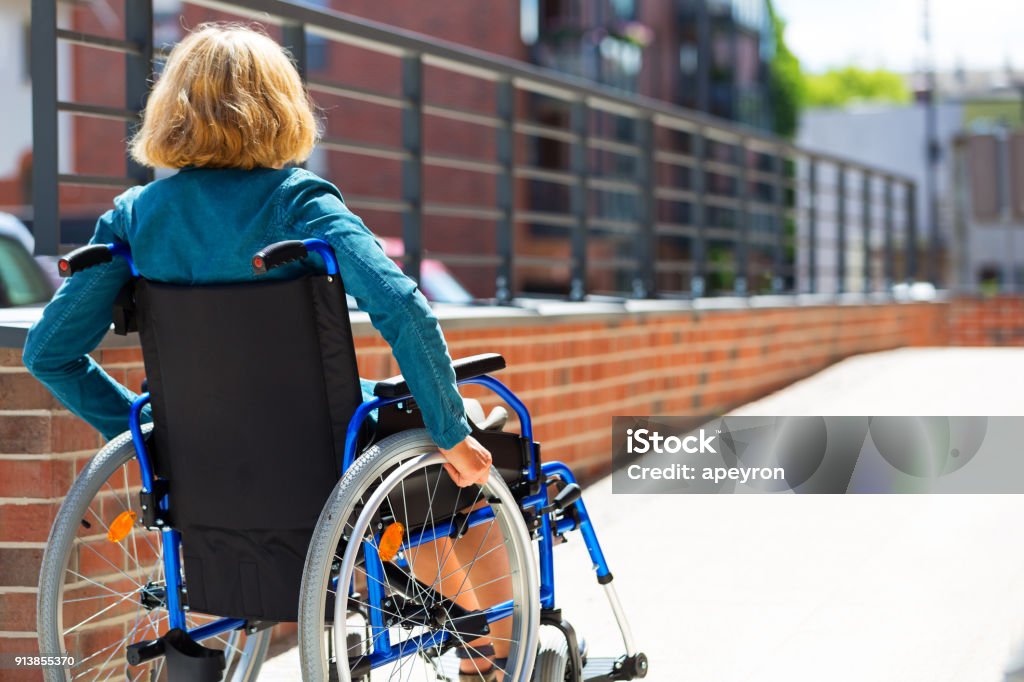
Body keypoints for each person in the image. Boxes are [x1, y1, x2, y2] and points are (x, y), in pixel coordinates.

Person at [23, 23, 506, 681]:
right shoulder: (301, 202)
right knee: (464, 454)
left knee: (421, 444)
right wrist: (451, 430)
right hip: (325, 463)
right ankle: (492, 658)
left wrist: (155, 445)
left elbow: (49, 352)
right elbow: (403, 307)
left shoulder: (137, 216)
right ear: (280, 108)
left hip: (204, 469)